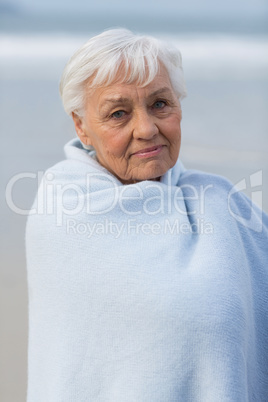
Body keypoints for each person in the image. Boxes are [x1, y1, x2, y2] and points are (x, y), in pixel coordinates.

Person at [26, 28, 268, 401]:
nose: (147, 129)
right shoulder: (63, 209)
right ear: (81, 127)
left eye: (159, 104)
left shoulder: (221, 202)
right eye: (118, 113)